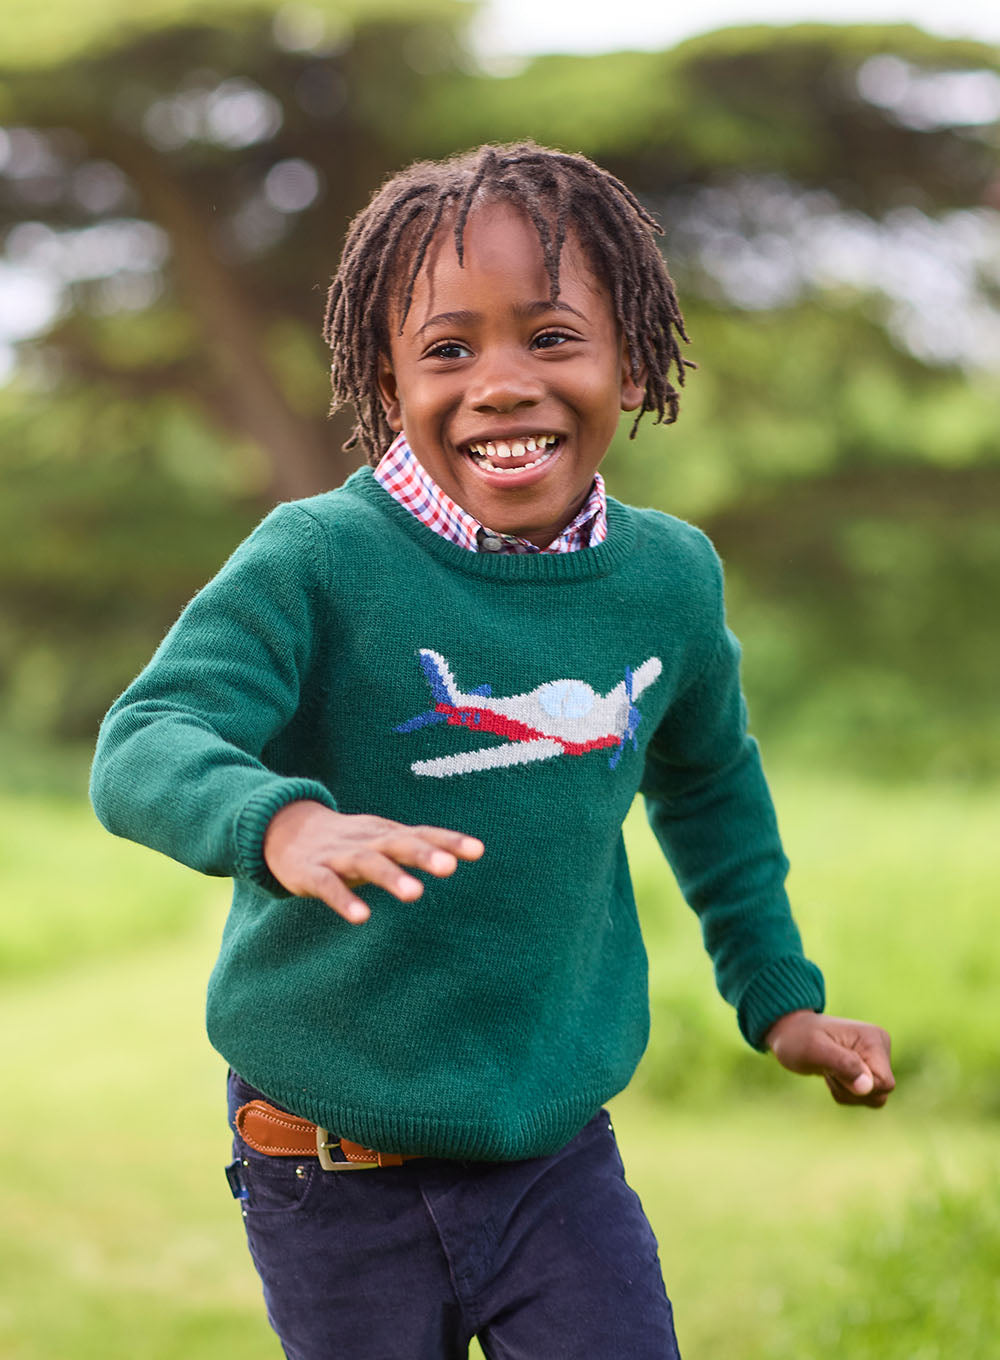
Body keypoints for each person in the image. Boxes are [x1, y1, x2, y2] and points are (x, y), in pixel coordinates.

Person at [90, 142, 894, 1359]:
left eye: (553, 337)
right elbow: (146, 739)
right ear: (386, 375)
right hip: (327, 1161)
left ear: (631, 362)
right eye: (449, 348)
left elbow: (712, 784)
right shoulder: (316, 556)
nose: (503, 383)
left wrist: (778, 998)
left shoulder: (668, 578)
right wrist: (284, 823)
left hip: (555, 1154)